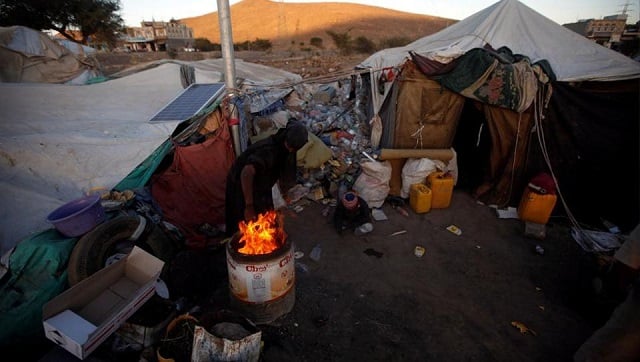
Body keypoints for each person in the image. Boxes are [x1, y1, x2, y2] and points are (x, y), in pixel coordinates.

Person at [225, 120, 308, 236]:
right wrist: (249, 206)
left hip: (261, 184)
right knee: (244, 222)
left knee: (265, 215)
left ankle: (264, 238)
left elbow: (277, 172)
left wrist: (283, 198)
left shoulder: (283, 146)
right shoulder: (269, 151)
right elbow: (247, 172)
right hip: (241, 186)